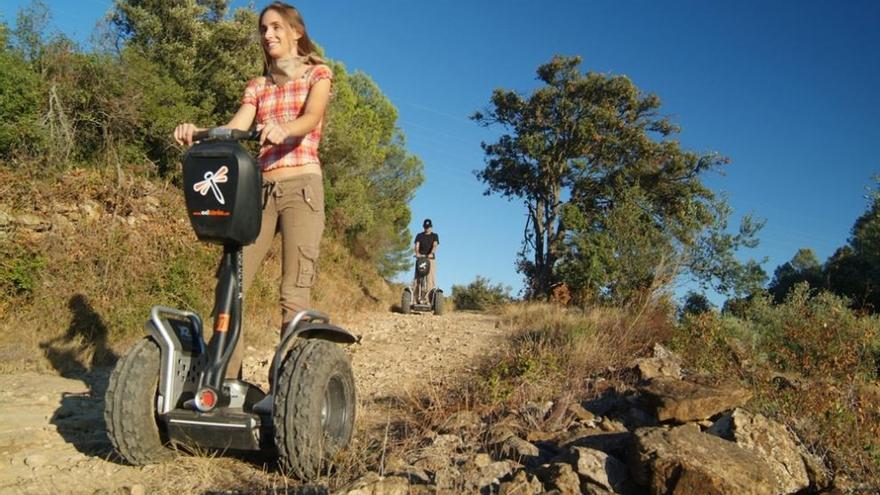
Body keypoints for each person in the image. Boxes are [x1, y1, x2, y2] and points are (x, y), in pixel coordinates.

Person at [173, 2, 332, 380]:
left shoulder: (318, 74)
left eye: (276, 27)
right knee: (232, 283)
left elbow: (311, 117)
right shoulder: (258, 86)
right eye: (263, 29)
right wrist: (196, 132)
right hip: (259, 193)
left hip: (303, 188)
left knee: (293, 294)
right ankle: (225, 384)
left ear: (296, 31)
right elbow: (234, 128)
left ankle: (288, 391)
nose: (268, 35)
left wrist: (285, 128)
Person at [413, 219, 439, 297]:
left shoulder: (435, 236)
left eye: (428, 227)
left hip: (430, 259)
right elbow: (417, 246)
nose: (427, 228)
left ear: (431, 227)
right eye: (425, 227)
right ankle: (415, 299)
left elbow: (435, 246)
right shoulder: (419, 235)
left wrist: (431, 253)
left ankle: (429, 299)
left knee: (430, 279)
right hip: (420, 259)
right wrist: (417, 253)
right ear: (423, 227)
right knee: (417, 279)